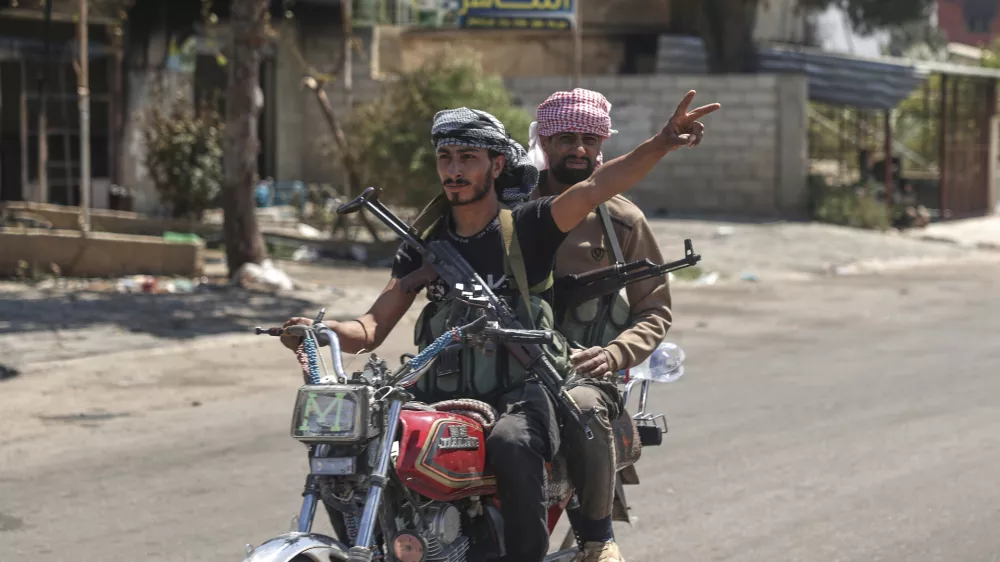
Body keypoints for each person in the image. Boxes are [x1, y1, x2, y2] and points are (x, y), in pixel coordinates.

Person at [280, 93, 720, 562]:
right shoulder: (424, 242)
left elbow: (595, 188)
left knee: (513, 442)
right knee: (350, 442)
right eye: (445, 158)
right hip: (441, 390)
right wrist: (314, 330)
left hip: (520, 390)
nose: (454, 169)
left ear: (496, 165)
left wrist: (662, 143)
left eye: (468, 158)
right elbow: (370, 328)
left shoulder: (529, 226)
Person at [526, 88, 702, 562]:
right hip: (508, 364)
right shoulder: (509, 209)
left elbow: (655, 309)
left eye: (589, 138)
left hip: (581, 374)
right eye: (565, 138)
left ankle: (597, 538)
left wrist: (612, 355)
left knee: (583, 410)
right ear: (544, 140)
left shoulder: (623, 221)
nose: (578, 149)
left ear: (602, 144)